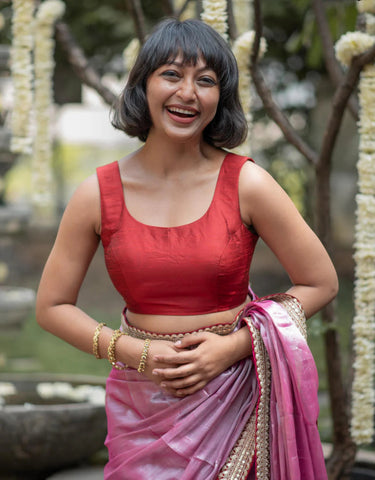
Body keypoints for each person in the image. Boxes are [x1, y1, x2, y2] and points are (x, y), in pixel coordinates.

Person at [36, 18, 338, 480]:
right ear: (143, 85)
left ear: (221, 98)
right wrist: (135, 352)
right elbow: (52, 306)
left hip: (237, 398)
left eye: (206, 81)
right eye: (172, 75)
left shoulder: (248, 184)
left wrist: (235, 348)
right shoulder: (97, 193)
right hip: (140, 404)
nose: (188, 93)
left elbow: (321, 281)